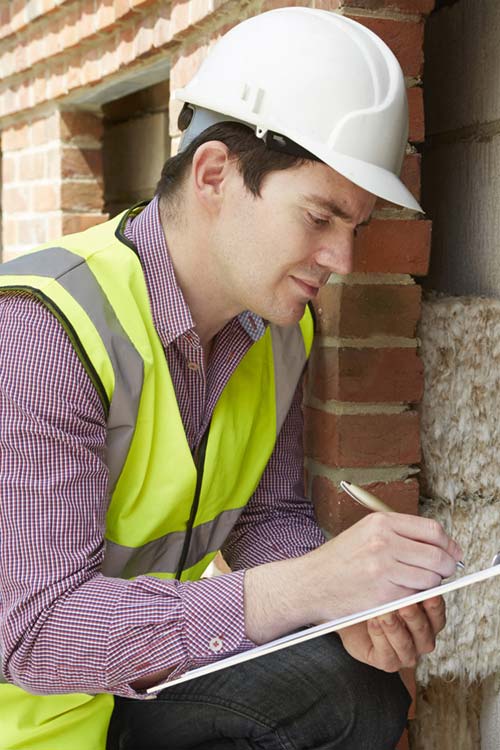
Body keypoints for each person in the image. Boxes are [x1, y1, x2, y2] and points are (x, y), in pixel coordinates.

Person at [0, 7, 462, 750]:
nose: (342, 261)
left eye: (357, 228)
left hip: (135, 686)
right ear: (215, 173)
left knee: (355, 691)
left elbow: (264, 517)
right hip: (29, 718)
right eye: (319, 217)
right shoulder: (40, 332)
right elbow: (37, 634)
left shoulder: (280, 331)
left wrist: (345, 610)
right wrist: (305, 589)